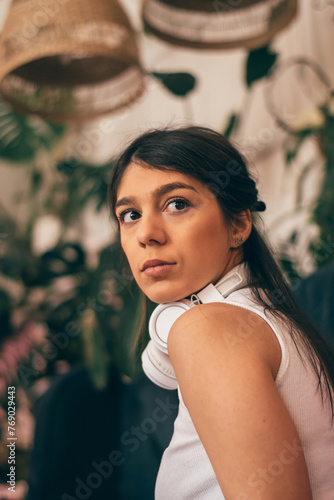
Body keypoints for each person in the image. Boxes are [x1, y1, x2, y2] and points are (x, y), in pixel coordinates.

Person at [108, 126, 334, 500]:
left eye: (177, 204)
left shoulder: (208, 327)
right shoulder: (268, 320)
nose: (146, 233)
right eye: (130, 214)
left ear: (239, 224)